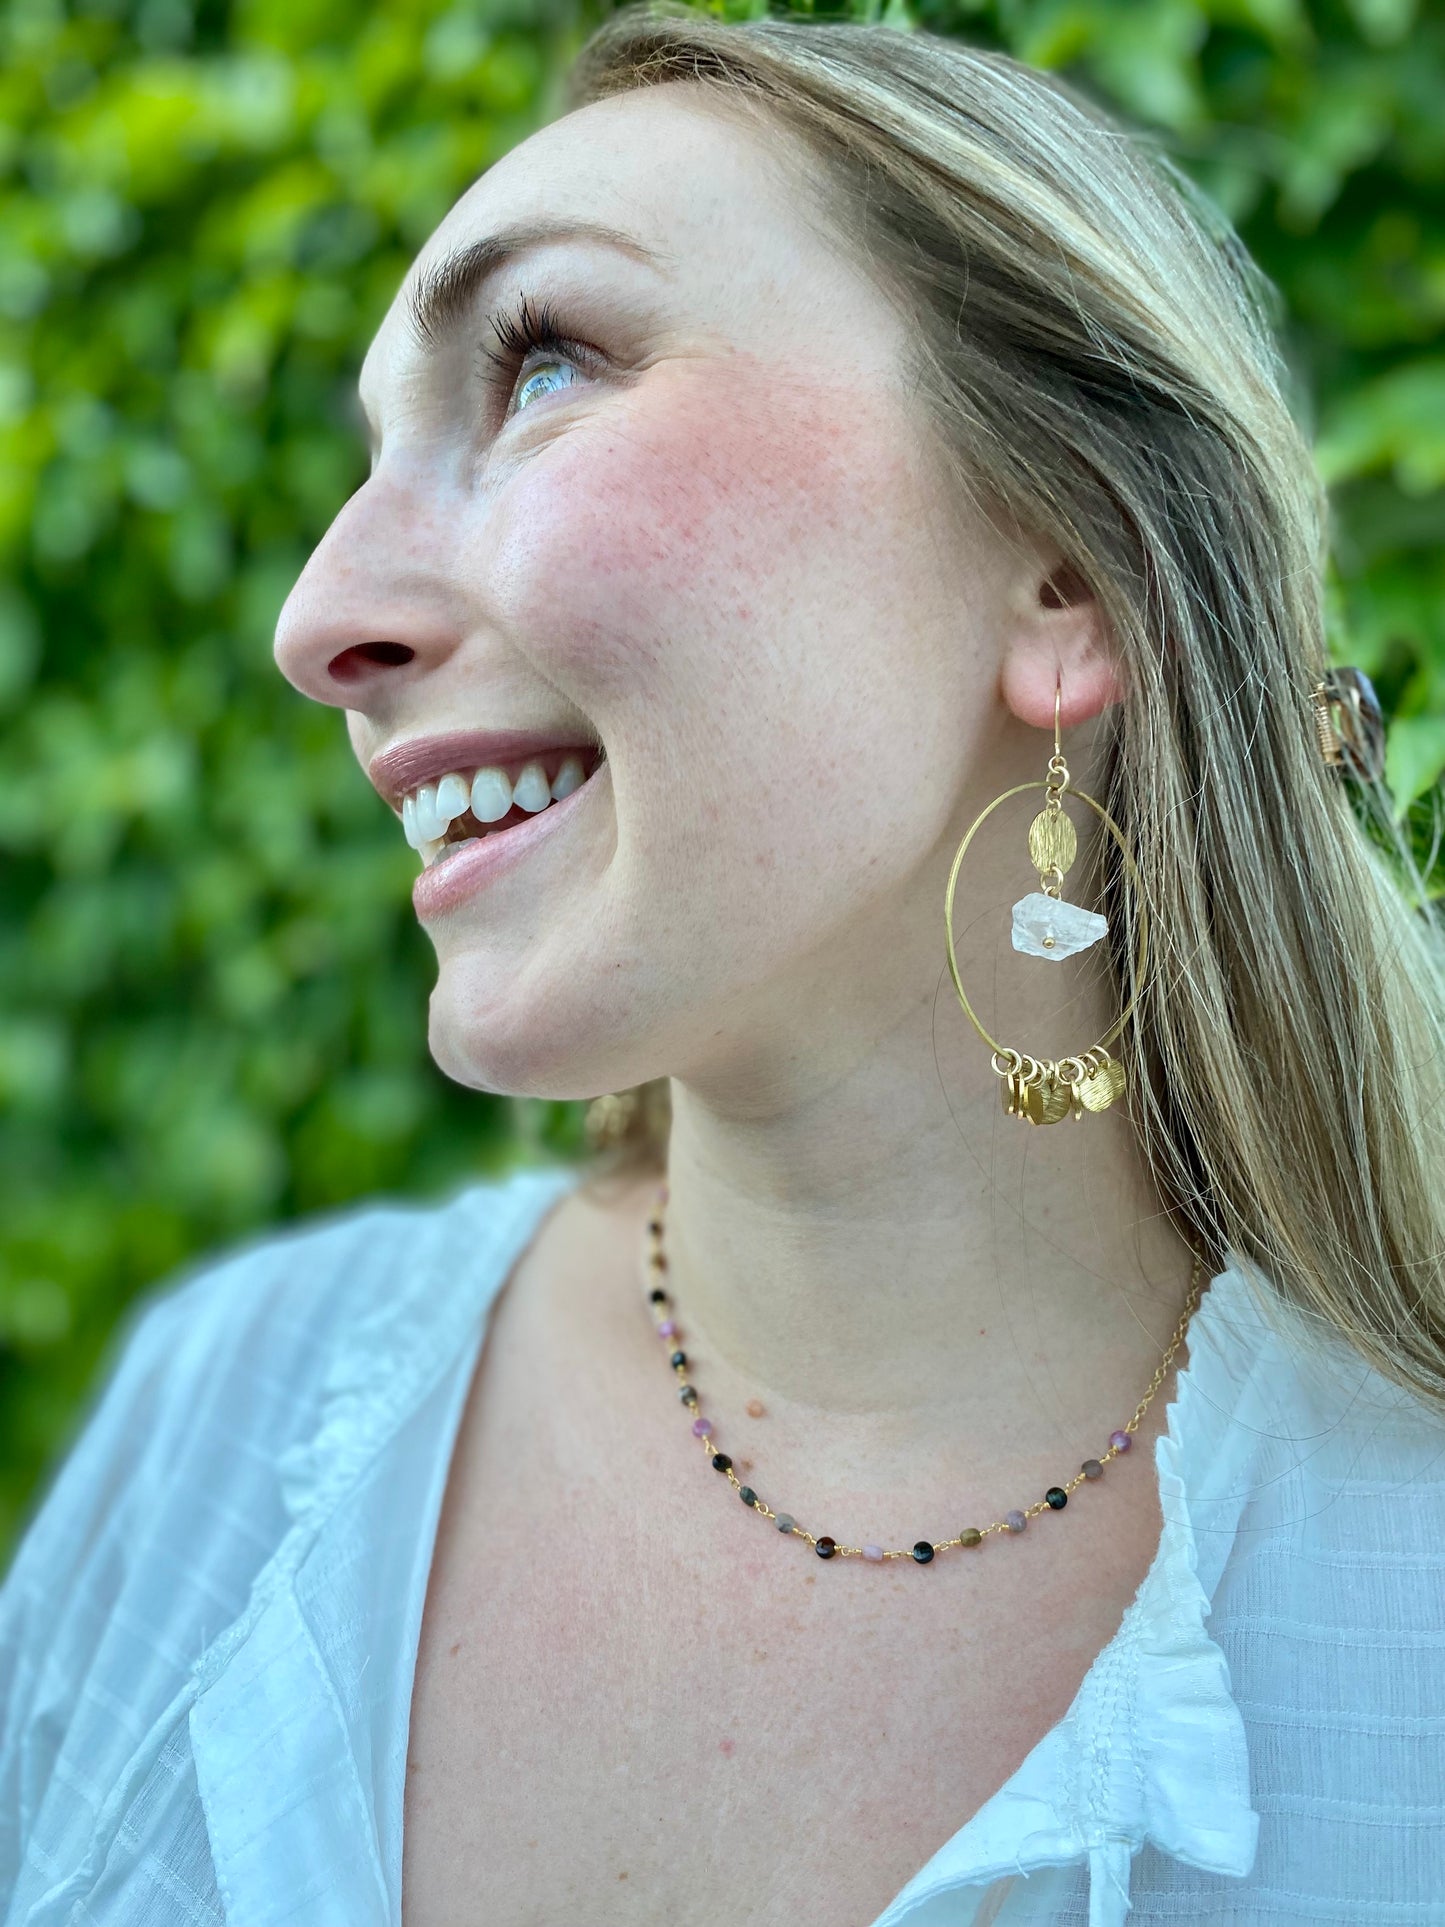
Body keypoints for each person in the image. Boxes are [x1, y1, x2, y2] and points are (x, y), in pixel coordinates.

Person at [4, 8, 1444, 1924]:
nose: (316, 618)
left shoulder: (1395, 1619)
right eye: (370, 451)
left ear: (1064, 577)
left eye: (541, 365)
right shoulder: (233, 1412)